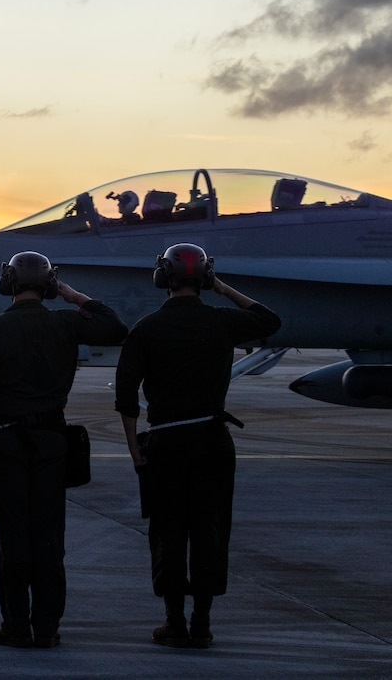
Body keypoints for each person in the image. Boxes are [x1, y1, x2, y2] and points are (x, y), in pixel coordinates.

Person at [0, 252, 128, 649]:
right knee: (50, 536)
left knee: (13, 537)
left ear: (8, 284)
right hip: (53, 441)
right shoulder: (65, 324)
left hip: (5, 442)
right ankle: (47, 627)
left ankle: (16, 626)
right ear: (50, 285)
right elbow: (115, 328)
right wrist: (75, 297)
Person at [115, 243, 281, 649]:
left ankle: (174, 622)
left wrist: (135, 447)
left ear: (163, 277)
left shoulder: (146, 328)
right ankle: (202, 622)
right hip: (212, 441)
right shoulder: (223, 322)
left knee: (168, 530)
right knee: (210, 529)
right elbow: (268, 320)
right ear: (204, 277)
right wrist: (222, 288)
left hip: (166, 443)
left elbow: (124, 394)